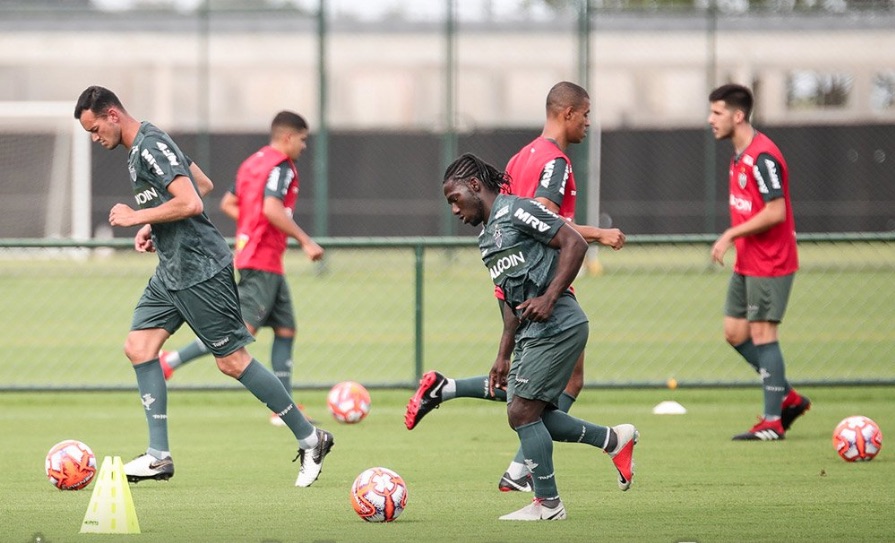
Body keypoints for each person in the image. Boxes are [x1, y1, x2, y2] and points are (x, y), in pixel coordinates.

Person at [74, 86, 333, 486]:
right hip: (171, 269)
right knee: (138, 347)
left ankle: (310, 436)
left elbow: (193, 202)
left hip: (200, 268)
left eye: (94, 129)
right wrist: (151, 224)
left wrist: (135, 215)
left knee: (232, 361)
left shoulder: (149, 146)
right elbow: (204, 184)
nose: (94, 138)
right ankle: (159, 456)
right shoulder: (145, 143)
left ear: (111, 114)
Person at [405, 81, 625, 492]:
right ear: (568, 113)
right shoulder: (556, 162)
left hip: (514, 276)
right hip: (542, 282)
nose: (588, 123)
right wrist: (599, 234)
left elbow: (516, 220)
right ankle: (532, 469)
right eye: (586, 115)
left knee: (531, 393)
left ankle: (524, 461)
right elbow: (545, 223)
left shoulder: (520, 157)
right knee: (551, 390)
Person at [439, 152, 637, 520]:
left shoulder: (517, 210)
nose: (454, 209)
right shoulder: (488, 239)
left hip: (558, 322)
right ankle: (613, 440)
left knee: (520, 412)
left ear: (475, 186)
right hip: (533, 331)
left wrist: (549, 296)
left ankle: (548, 504)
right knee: (536, 415)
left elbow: (574, 242)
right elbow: (509, 302)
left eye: (455, 199)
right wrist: (503, 355)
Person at [158, 111, 324, 427]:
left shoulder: (253, 162)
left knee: (286, 330)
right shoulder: (281, 167)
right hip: (262, 260)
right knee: (240, 332)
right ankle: (171, 360)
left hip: (263, 257)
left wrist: (254, 226)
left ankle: (283, 404)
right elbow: (271, 208)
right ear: (288, 137)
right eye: (303, 140)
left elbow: (229, 203)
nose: (304, 146)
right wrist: (305, 240)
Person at [707, 83, 811, 441]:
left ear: (738, 116)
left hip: (771, 261)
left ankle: (772, 421)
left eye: (717, 113)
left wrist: (730, 235)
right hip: (749, 261)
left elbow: (776, 211)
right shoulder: (739, 155)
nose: (711, 120)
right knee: (734, 333)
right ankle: (787, 396)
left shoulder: (762, 155)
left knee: (764, 334)